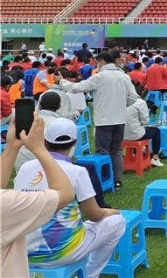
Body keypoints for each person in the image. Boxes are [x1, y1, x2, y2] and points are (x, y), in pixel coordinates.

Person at [13, 119, 125, 278]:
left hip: (22, 250)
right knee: (118, 222)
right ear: (75, 142)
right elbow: (94, 215)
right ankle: (91, 274)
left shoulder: (25, 168)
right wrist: (109, 211)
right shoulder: (77, 171)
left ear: (45, 142)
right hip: (61, 252)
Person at [1, 114, 76, 278]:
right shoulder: (6, 204)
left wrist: (12, 147)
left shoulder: (25, 170)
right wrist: (39, 149)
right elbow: (65, 193)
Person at [56, 51, 138, 191]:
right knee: (116, 151)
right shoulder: (124, 77)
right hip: (119, 119)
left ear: (102, 62)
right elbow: (133, 97)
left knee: (102, 151)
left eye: (97, 63)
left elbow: (77, 88)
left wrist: (61, 82)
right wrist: (120, 106)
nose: (97, 65)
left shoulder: (99, 77)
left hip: (104, 120)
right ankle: (117, 180)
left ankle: (105, 178)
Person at [124, 87, 164, 167]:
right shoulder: (140, 102)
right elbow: (145, 121)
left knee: (139, 130)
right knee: (156, 131)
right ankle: (155, 158)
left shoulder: (121, 101)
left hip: (122, 134)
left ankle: (136, 153)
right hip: (135, 134)